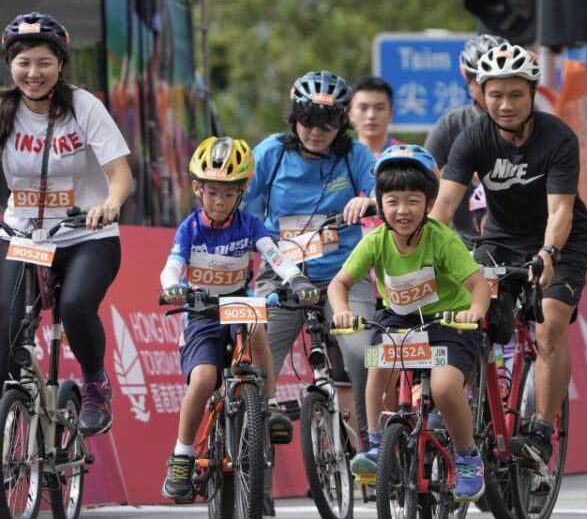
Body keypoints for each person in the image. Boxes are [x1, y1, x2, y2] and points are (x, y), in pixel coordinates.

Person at [429, 43, 587, 483]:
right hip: (500, 238)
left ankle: (541, 430)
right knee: (468, 314)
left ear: (533, 93)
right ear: (481, 93)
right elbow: (444, 206)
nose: (504, 104)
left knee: (551, 323)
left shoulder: (558, 138)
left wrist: (548, 255)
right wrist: (420, 251)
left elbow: (560, 212)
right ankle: (461, 405)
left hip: (562, 241)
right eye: (495, 94)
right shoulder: (473, 138)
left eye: (515, 94)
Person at [328, 144, 490, 502]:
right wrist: (341, 309)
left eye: (413, 200)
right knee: (377, 371)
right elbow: (338, 284)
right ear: (379, 203)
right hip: (397, 322)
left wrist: (474, 313)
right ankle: (375, 446)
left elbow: (479, 287)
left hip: (449, 325)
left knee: (446, 388)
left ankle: (467, 457)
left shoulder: (443, 239)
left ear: (430, 204)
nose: (402, 210)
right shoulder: (375, 242)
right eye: (392, 200)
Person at [160, 136, 317, 502]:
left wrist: (297, 279)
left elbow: (275, 255)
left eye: (229, 194)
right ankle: (182, 455)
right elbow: (172, 265)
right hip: (201, 313)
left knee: (256, 321)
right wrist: (172, 288)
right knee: (203, 378)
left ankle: (272, 406)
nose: (219, 201)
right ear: (198, 188)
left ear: (243, 191)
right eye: (212, 192)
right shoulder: (190, 228)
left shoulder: (250, 225)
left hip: (238, 306)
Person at [0, 12, 134, 435]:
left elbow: (121, 175)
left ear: (60, 65)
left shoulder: (82, 106)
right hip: (22, 235)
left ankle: (95, 382)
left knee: (75, 306)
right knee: (5, 319)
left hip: (85, 236)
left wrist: (109, 205)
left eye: (44, 62)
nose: (33, 73)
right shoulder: (3, 110)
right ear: (10, 65)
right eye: (23, 63)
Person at [244, 71, 377, 449]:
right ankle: (256, 471)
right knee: (256, 364)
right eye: (308, 120)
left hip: (343, 277)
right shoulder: (271, 151)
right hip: (282, 275)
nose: (316, 131)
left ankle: (374, 448)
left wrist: (368, 200)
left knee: (361, 353)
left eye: (328, 122)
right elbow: (246, 214)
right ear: (294, 115)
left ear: (342, 121)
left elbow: (385, 190)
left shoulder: (354, 154)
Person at [424, 34, 507, 247]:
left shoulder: (533, 123)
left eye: (496, 80)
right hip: (466, 244)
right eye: (480, 81)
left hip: (522, 242)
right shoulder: (451, 125)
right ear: (466, 77)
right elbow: (421, 178)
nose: (490, 90)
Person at [349, 76, 402, 156]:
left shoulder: (406, 156)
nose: (371, 115)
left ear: (391, 113)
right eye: (363, 108)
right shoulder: (340, 159)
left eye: (379, 108)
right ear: (350, 113)